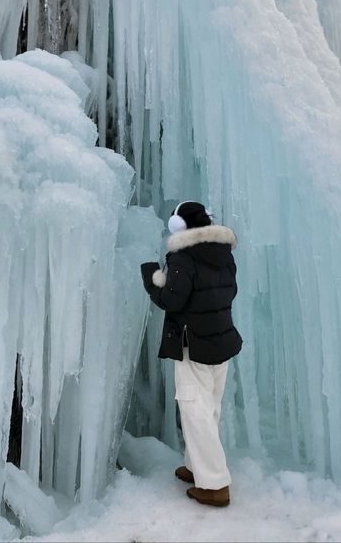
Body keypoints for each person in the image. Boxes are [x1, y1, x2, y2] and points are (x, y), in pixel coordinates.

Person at [141, 201, 242, 507]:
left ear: (179, 227)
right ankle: (197, 466)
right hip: (220, 341)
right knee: (208, 406)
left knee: (194, 409)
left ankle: (214, 485)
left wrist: (150, 277)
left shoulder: (183, 258)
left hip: (194, 343)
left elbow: (172, 299)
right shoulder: (224, 256)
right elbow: (228, 292)